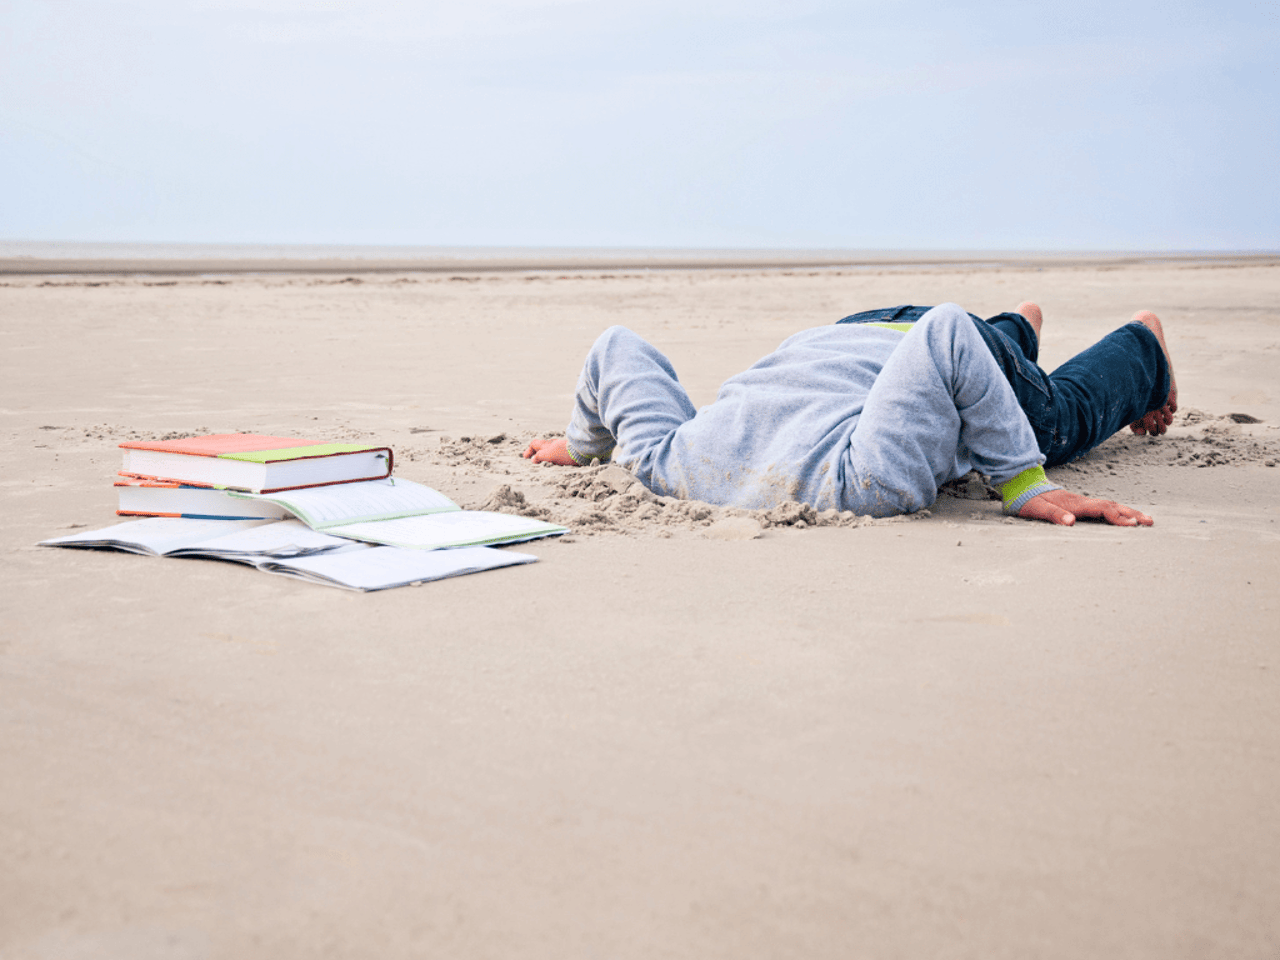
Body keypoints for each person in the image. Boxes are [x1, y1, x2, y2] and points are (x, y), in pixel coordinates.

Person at [523, 302, 1173, 527]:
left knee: (1052, 425)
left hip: (908, 336)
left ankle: (1142, 344)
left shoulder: (862, 483)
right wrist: (587, 444)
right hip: (854, 334)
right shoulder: (664, 460)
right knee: (977, 353)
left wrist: (1027, 484)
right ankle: (1014, 330)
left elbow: (948, 338)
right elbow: (616, 350)